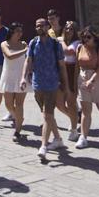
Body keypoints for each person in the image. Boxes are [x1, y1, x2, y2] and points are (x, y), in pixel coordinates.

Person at [23, 17, 67, 160]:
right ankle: (58, 139)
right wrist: (23, 77)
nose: (39, 28)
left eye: (42, 25)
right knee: (47, 114)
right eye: (37, 26)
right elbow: (28, 60)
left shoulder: (55, 44)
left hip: (52, 84)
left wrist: (65, 84)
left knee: (47, 115)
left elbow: (62, 66)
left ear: (48, 27)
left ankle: (43, 146)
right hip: (37, 84)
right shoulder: (33, 43)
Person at [75, 26, 99, 149]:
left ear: (95, 37)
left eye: (88, 37)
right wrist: (76, 81)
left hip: (98, 79)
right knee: (85, 110)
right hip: (83, 78)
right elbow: (77, 66)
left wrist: (92, 80)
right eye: (83, 37)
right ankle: (83, 137)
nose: (85, 39)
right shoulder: (80, 47)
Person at [0, 22, 28, 141]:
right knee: (8, 104)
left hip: (21, 77)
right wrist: (25, 50)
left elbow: (28, 60)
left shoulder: (23, 44)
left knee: (19, 104)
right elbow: (9, 56)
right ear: (11, 32)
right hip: (8, 77)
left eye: (21, 31)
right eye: (17, 31)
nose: (20, 33)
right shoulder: (4, 44)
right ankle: (18, 118)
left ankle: (17, 130)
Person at [61, 21, 82, 142]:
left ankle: (74, 129)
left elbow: (68, 52)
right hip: (61, 71)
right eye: (67, 28)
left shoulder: (77, 43)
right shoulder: (63, 41)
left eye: (71, 29)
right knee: (59, 102)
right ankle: (74, 118)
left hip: (71, 72)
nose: (68, 31)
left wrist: (61, 41)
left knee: (71, 102)